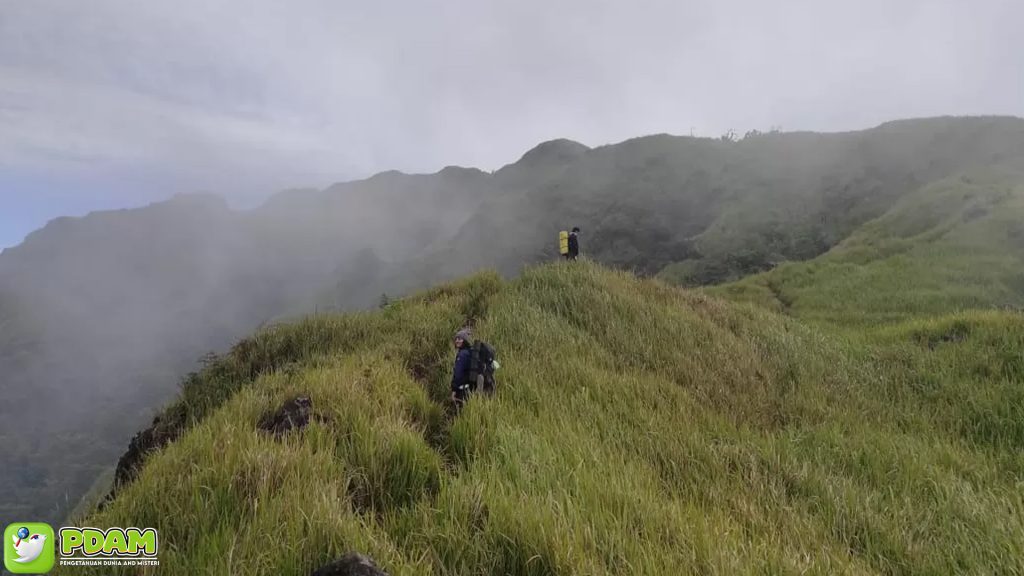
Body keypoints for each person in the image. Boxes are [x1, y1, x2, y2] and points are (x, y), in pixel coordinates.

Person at [450, 328, 474, 406]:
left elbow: (458, 374)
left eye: (460, 339)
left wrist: (454, 390)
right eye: (456, 339)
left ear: (465, 340)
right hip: (471, 389)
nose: (457, 341)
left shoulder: (462, 355)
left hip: (463, 391)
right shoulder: (470, 352)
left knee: (461, 412)